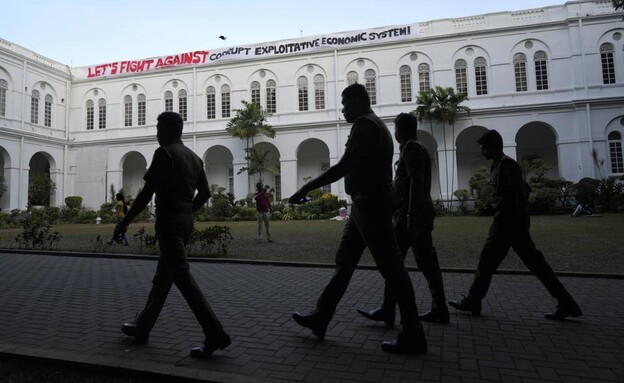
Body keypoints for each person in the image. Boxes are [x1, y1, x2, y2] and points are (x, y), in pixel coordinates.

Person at [289, 83, 427, 354]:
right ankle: (321, 316)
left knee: (392, 269)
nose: (342, 109)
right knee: (345, 262)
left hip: (372, 204)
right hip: (364, 205)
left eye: (345, 103)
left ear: (358, 101)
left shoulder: (365, 125)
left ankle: (414, 332)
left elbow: (343, 166)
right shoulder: (376, 125)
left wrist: (306, 187)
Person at [115, 112, 230, 357]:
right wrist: (187, 210)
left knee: (182, 278)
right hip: (185, 220)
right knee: (163, 277)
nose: (157, 133)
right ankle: (143, 327)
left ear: (167, 129)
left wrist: (125, 221)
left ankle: (215, 333)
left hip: (169, 221)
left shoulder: (164, 153)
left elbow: (147, 193)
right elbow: (205, 193)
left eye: (158, 128)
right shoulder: (194, 158)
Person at [448, 129, 582, 321]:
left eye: (485, 147)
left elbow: (520, 192)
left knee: (488, 261)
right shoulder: (498, 165)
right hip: (508, 223)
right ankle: (566, 302)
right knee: (533, 264)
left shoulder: (507, 165)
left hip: (507, 224)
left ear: (495, 146)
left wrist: (521, 221)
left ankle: (473, 300)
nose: (482, 151)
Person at [358, 113, 449, 325]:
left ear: (402, 130)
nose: (395, 133)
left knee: (394, 263)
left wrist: (410, 216)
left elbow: (415, 183)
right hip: (416, 212)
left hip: (410, 214)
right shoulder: (419, 147)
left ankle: (388, 310)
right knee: (426, 263)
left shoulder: (411, 149)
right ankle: (438, 308)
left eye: (396, 129)